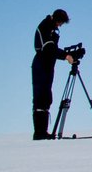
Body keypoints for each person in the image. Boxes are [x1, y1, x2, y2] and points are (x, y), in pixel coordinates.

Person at [32, 8, 75, 140]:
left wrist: (68, 54)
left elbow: (53, 50)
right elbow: (49, 49)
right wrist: (66, 56)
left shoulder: (51, 28)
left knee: (46, 97)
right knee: (40, 97)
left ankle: (43, 131)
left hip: (47, 65)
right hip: (41, 65)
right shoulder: (45, 26)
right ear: (57, 19)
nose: (60, 25)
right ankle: (39, 133)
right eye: (60, 23)